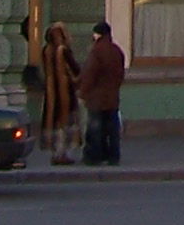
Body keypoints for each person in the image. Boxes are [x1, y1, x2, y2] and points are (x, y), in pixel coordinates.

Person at [80, 20, 126, 166]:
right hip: (112, 97)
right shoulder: (116, 50)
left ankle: (94, 156)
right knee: (112, 129)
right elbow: (120, 74)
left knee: (95, 129)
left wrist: (83, 92)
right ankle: (113, 156)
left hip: (96, 98)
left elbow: (90, 74)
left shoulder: (96, 51)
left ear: (98, 34)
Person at [39, 22, 81, 164]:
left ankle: (55, 153)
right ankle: (63, 154)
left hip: (51, 94)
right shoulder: (63, 51)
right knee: (66, 122)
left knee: (53, 121)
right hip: (66, 93)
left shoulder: (46, 50)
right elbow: (75, 70)